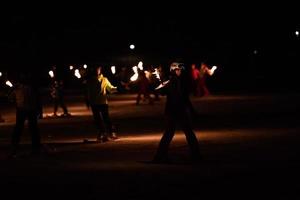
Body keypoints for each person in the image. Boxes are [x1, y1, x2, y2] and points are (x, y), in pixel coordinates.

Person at [152, 62, 201, 163]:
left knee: (186, 133)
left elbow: (184, 97)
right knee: (172, 133)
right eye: (177, 70)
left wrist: (191, 110)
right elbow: (162, 93)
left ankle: (196, 155)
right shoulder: (170, 81)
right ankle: (160, 156)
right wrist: (161, 86)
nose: (179, 71)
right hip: (174, 111)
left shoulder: (179, 82)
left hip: (178, 110)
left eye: (180, 70)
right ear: (173, 71)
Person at [9, 72, 41, 157]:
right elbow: (12, 99)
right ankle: (15, 147)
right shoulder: (19, 88)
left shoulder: (24, 88)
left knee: (28, 129)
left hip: (27, 109)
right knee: (26, 128)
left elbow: (36, 99)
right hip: (25, 109)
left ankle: (35, 148)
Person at [86, 66, 118, 142]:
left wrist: (116, 88)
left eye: (98, 69)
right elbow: (88, 92)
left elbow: (110, 89)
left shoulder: (104, 79)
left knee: (106, 118)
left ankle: (112, 133)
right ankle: (102, 133)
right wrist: (87, 101)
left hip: (103, 102)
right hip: (94, 103)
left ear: (100, 70)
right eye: (96, 69)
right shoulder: (90, 81)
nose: (97, 71)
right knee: (98, 120)